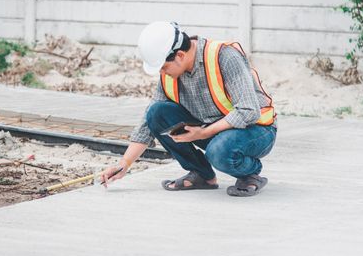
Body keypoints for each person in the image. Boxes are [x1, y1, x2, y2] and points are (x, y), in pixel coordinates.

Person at [100, 21, 277, 197]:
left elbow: (249, 111)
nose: (162, 73)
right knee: (157, 113)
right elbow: (149, 121)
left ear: (180, 55)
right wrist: (125, 163)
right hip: (213, 130)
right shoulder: (171, 73)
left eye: (163, 67)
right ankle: (202, 175)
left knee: (219, 150)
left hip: (255, 130)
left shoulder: (225, 57)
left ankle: (250, 174)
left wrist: (204, 133)